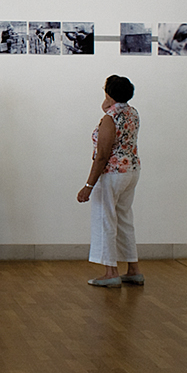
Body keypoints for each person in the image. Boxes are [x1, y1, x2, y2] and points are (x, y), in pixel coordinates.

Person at [77, 75, 143, 288]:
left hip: (112, 174)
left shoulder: (110, 118)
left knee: (105, 219)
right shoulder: (132, 113)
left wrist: (88, 185)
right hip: (131, 171)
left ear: (109, 92)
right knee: (124, 218)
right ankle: (133, 269)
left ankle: (110, 272)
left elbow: (103, 155)